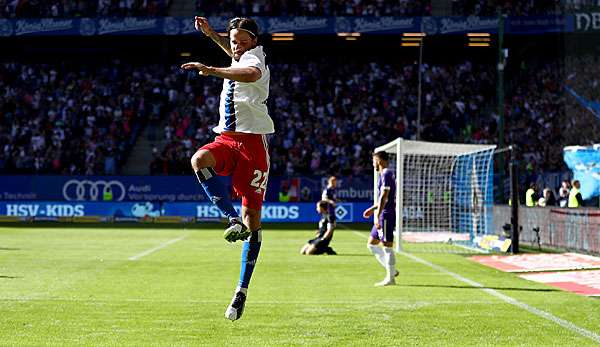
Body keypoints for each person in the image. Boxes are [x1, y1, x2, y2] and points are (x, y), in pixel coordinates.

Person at [181, 16, 273, 321]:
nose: (236, 46)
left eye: (243, 41)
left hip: (253, 148)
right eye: (234, 40)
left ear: (255, 43)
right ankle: (230, 218)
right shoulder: (238, 51)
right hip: (226, 139)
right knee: (198, 160)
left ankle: (241, 291)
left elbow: (247, 73)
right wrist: (211, 35)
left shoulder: (255, 59)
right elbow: (233, 51)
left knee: (254, 221)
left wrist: (211, 70)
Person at [363, 151, 399, 287]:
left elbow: (385, 196)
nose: (373, 164)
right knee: (371, 244)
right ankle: (392, 271)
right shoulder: (383, 175)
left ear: (379, 160)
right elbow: (382, 198)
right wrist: (372, 209)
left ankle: (390, 278)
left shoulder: (386, 174)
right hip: (383, 212)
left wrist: (377, 216)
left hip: (386, 215)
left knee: (387, 246)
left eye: (373, 161)